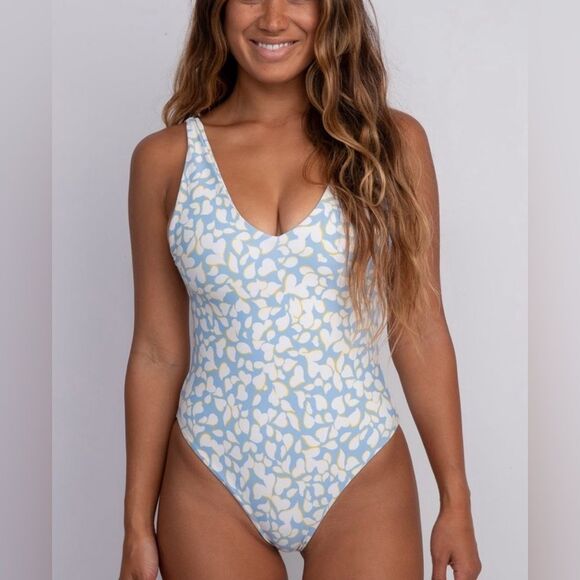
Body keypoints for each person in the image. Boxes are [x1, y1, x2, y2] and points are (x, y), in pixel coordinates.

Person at [119, 1, 482, 579]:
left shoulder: (391, 144)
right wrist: (136, 524)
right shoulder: (166, 160)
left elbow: (420, 329)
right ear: (218, 10)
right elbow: (157, 352)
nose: (272, 19)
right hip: (211, 476)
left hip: (359, 472)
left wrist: (455, 499)